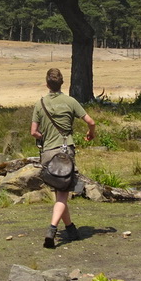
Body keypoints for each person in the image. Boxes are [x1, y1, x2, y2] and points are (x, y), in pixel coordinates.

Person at [31, 67, 96, 249]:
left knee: (60, 194)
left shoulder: (40, 104)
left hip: (48, 153)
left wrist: (43, 137)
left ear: (47, 84)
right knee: (62, 194)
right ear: (62, 83)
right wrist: (91, 134)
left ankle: (70, 229)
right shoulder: (70, 101)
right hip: (65, 152)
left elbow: (33, 132)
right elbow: (91, 121)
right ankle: (51, 230)